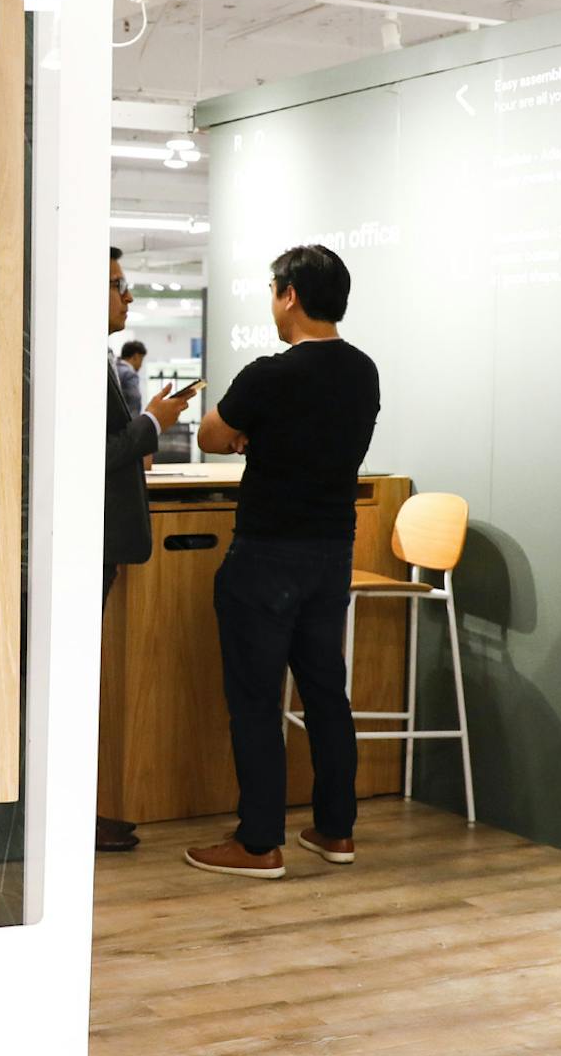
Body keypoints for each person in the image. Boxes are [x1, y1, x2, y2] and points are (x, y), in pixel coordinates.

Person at [188, 244, 380, 879]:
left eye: (274, 290)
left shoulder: (269, 375)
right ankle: (336, 829)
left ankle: (259, 840)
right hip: (332, 553)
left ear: (289, 295)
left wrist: (251, 432)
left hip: (267, 553)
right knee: (327, 692)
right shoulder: (362, 372)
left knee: (255, 698)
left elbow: (211, 436)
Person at [100, 251, 189, 852]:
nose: (127, 297)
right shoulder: (79, 360)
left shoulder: (101, 359)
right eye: (116, 285)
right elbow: (97, 453)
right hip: (89, 537)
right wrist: (154, 423)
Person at [114, 339, 146, 418]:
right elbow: (134, 404)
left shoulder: (114, 369)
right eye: (141, 359)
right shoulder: (129, 374)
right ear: (136, 356)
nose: (141, 365)